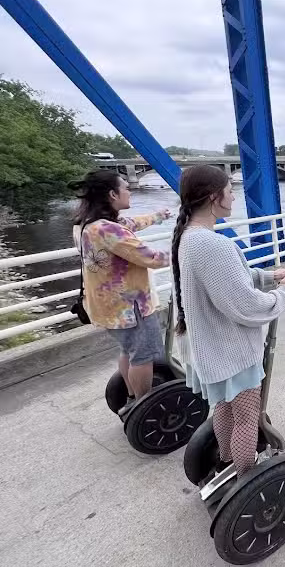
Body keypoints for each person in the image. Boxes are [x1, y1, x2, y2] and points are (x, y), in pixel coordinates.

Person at [172, 165, 285, 477]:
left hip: (209, 347)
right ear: (214, 197)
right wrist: (283, 294)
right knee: (246, 416)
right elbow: (245, 305)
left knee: (225, 407)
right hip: (230, 351)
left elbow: (225, 280)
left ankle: (226, 462)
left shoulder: (189, 237)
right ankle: (245, 477)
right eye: (230, 191)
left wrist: (269, 277)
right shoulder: (213, 244)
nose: (234, 198)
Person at [70, 170, 172, 410]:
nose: (130, 191)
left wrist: (159, 216)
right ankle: (143, 406)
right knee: (143, 356)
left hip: (107, 306)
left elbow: (130, 225)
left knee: (128, 351)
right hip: (129, 307)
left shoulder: (87, 225)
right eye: (126, 187)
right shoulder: (107, 230)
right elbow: (151, 257)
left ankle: (131, 397)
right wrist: (184, 250)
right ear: (113, 194)